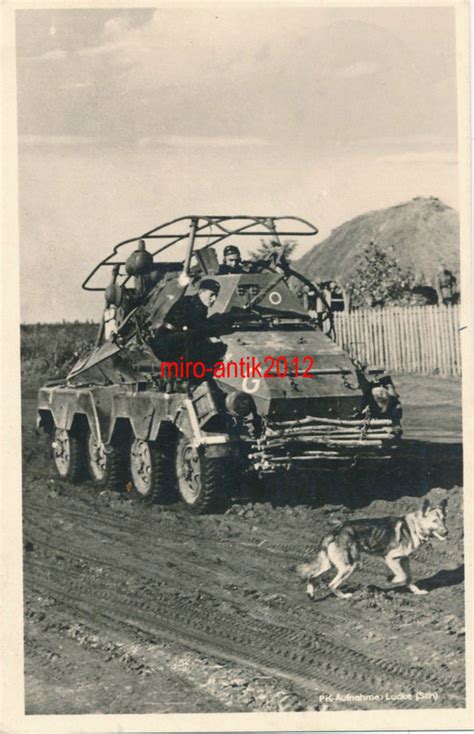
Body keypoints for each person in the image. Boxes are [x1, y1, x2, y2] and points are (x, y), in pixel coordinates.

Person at [151, 279, 221, 365]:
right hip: (164, 346)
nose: (214, 299)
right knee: (194, 336)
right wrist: (209, 338)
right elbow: (191, 328)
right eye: (212, 295)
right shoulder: (188, 303)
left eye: (216, 295)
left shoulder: (200, 305)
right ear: (200, 292)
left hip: (171, 341)